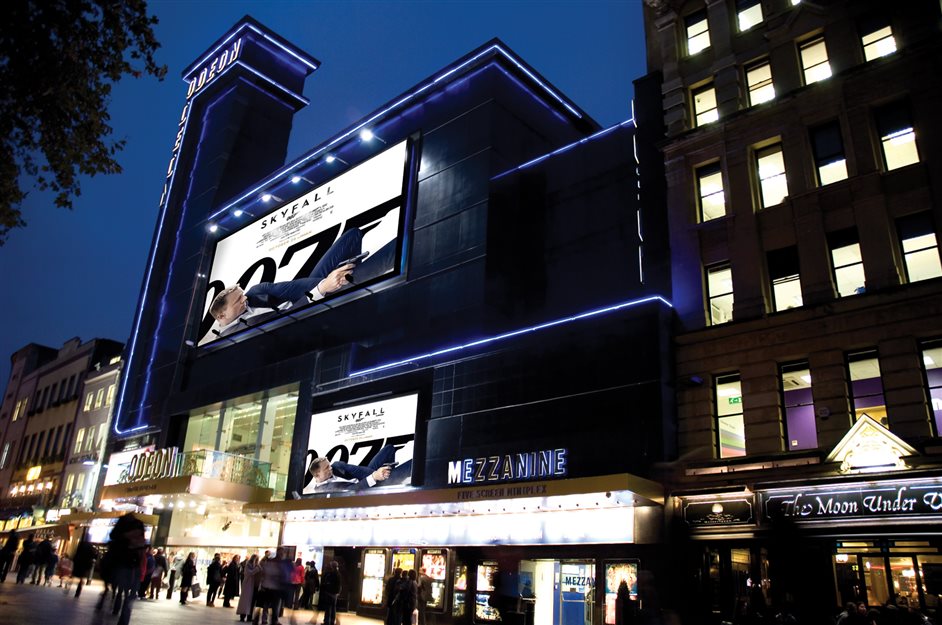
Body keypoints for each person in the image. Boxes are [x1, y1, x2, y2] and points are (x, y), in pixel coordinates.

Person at [210, 228, 397, 339]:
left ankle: (352, 285)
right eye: (238, 300)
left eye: (241, 294)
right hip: (313, 317)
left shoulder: (255, 293)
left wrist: (326, 282)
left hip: (308, 295)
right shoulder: (236, 336)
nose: (244, 298)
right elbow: (287, 322)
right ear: (221, 315)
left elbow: (292, 288)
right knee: (384, 259)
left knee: (352, 235)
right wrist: (323, 289)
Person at [305, 444, 397, 493]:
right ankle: (391, 481)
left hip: (369, 477)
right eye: (326, 468)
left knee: (389, 448)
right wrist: (375, 477)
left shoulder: (336, 465)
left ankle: (389, 476)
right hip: (366, 490)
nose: (331, 468)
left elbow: (357, 470)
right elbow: (354, 489)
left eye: (329, 465)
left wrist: (379, 474)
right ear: (317, 474)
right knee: (408, 467)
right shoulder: (324, 492)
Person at [106, 513, 147, 625]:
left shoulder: (124, 527)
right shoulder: (136, 527)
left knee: (122, 591)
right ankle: (123, 619)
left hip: (125, 563)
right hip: (130, 563)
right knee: (130, 594)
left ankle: (120, 613)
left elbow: (113, 536)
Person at [238, 554, 261, 622]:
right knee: (246, 600)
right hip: (248, 585)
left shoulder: (257, 565)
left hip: (254, 586)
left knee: (252, 602)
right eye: (256, 559)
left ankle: (249, 616)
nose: (257, 561)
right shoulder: (248, 565)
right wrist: (256, 569)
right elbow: (249, 573)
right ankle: (243, 615)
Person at [321, 561, 343, 625]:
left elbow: (329, 583)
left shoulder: (331, 573)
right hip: (335, 593)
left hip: (330, 592)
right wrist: (338, 592)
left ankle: (327, 622)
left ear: (332, 566)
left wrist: (326, 587)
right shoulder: (338, 574)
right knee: (333, 608)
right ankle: (332, 621)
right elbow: (339, 584)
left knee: (328, 608)